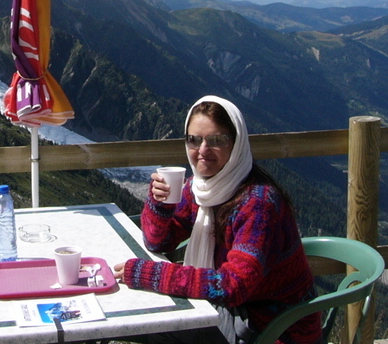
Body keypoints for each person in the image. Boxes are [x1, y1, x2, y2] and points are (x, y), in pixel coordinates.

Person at [112, 95, 321, 344]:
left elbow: (233, 286)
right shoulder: (200, 188)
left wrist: (151, 274)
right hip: (236, 314)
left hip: (271, 331)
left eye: (216, 140)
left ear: (236, 144)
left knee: (141, 328)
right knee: (142, 326)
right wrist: (160, 205)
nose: (202, 151)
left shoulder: (258, 203)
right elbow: (160, 242)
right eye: (194, 140)